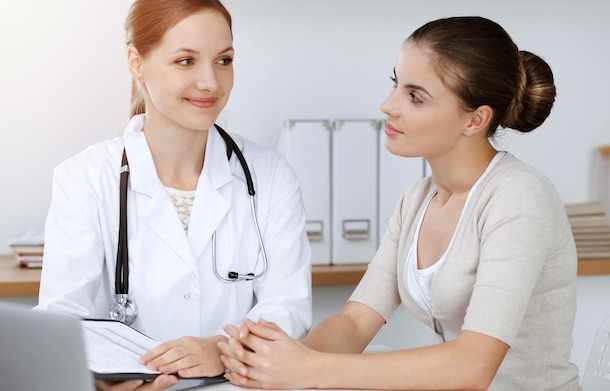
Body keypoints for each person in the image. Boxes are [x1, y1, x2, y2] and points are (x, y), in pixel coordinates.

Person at [218, 16, 582, 391]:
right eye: (396, 83)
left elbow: (472, 366)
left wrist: (310, 370)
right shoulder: (418, 200)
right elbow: (356, 322)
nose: (388, 105)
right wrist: (269, 365)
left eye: (415, 96)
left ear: (475, 119)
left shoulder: (518, 196)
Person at [35, 0, 312, 390]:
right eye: (185, 61)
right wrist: (97, 377)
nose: (211, 82)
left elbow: (288, 308)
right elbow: (62, 318)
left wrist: (222, 347)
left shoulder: (269, 176)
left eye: (224, 60)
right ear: (136, 63)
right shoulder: (84, 178)